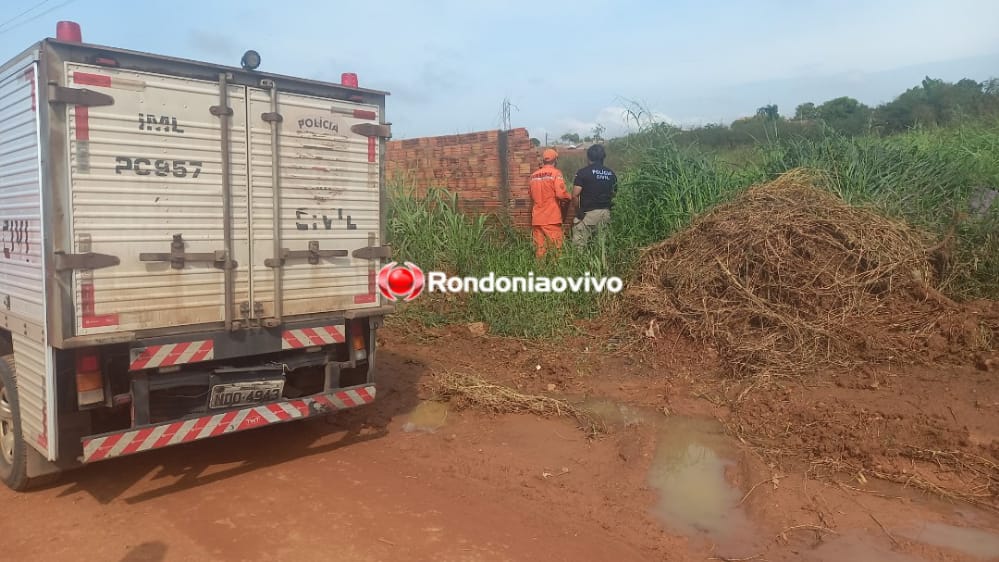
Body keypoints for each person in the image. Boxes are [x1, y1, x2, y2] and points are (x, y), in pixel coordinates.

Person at [571, 144, 617, 246]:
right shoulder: (611, 174)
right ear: (603, 157)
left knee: (579, 246)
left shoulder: (583, 172)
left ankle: (581, 262)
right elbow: (614, 194)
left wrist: (578, 212)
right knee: (601, 247)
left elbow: (575, 195)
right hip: (606, 214)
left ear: (589, 157)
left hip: (588, 215)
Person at [529, 148, 571, 258]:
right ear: (555, 160)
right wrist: (569, 196)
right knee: (556, 249)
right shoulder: (556, 173)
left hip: (537, 218)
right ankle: (556, 272)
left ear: (544, 160)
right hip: (551, 217)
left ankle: (540, 271)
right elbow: (560, 195)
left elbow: (531, 195)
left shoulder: (533, 175)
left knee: (540, 249)